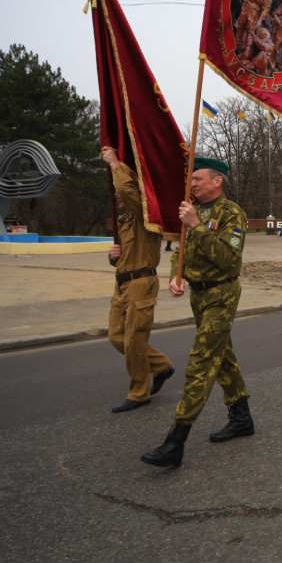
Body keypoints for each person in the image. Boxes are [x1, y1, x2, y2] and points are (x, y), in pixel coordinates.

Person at [141, 156, 253, 467]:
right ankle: (242, 417)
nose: (192, 184)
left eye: (198, 179)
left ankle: (175, 442)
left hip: (221, 294)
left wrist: (197, 226)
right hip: (199, 295)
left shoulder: (231, 214)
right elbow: (183, 250)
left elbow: (230, 260)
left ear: (217, 181)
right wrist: (177, 277)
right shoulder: (196, 210)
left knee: (201, 362)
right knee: (223, 356)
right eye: (191, 180)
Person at [100, 147, 175, 413]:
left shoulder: (148, 215)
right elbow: (126, 255)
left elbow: (131, 194)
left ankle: (139, 392)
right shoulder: (126, 219)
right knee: (116, 336)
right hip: (121, 283)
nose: (117, 195)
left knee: (134, 340)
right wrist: (113, 257)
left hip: (142, 283)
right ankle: (161, 367)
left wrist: (115, 164)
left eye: (121, 190)